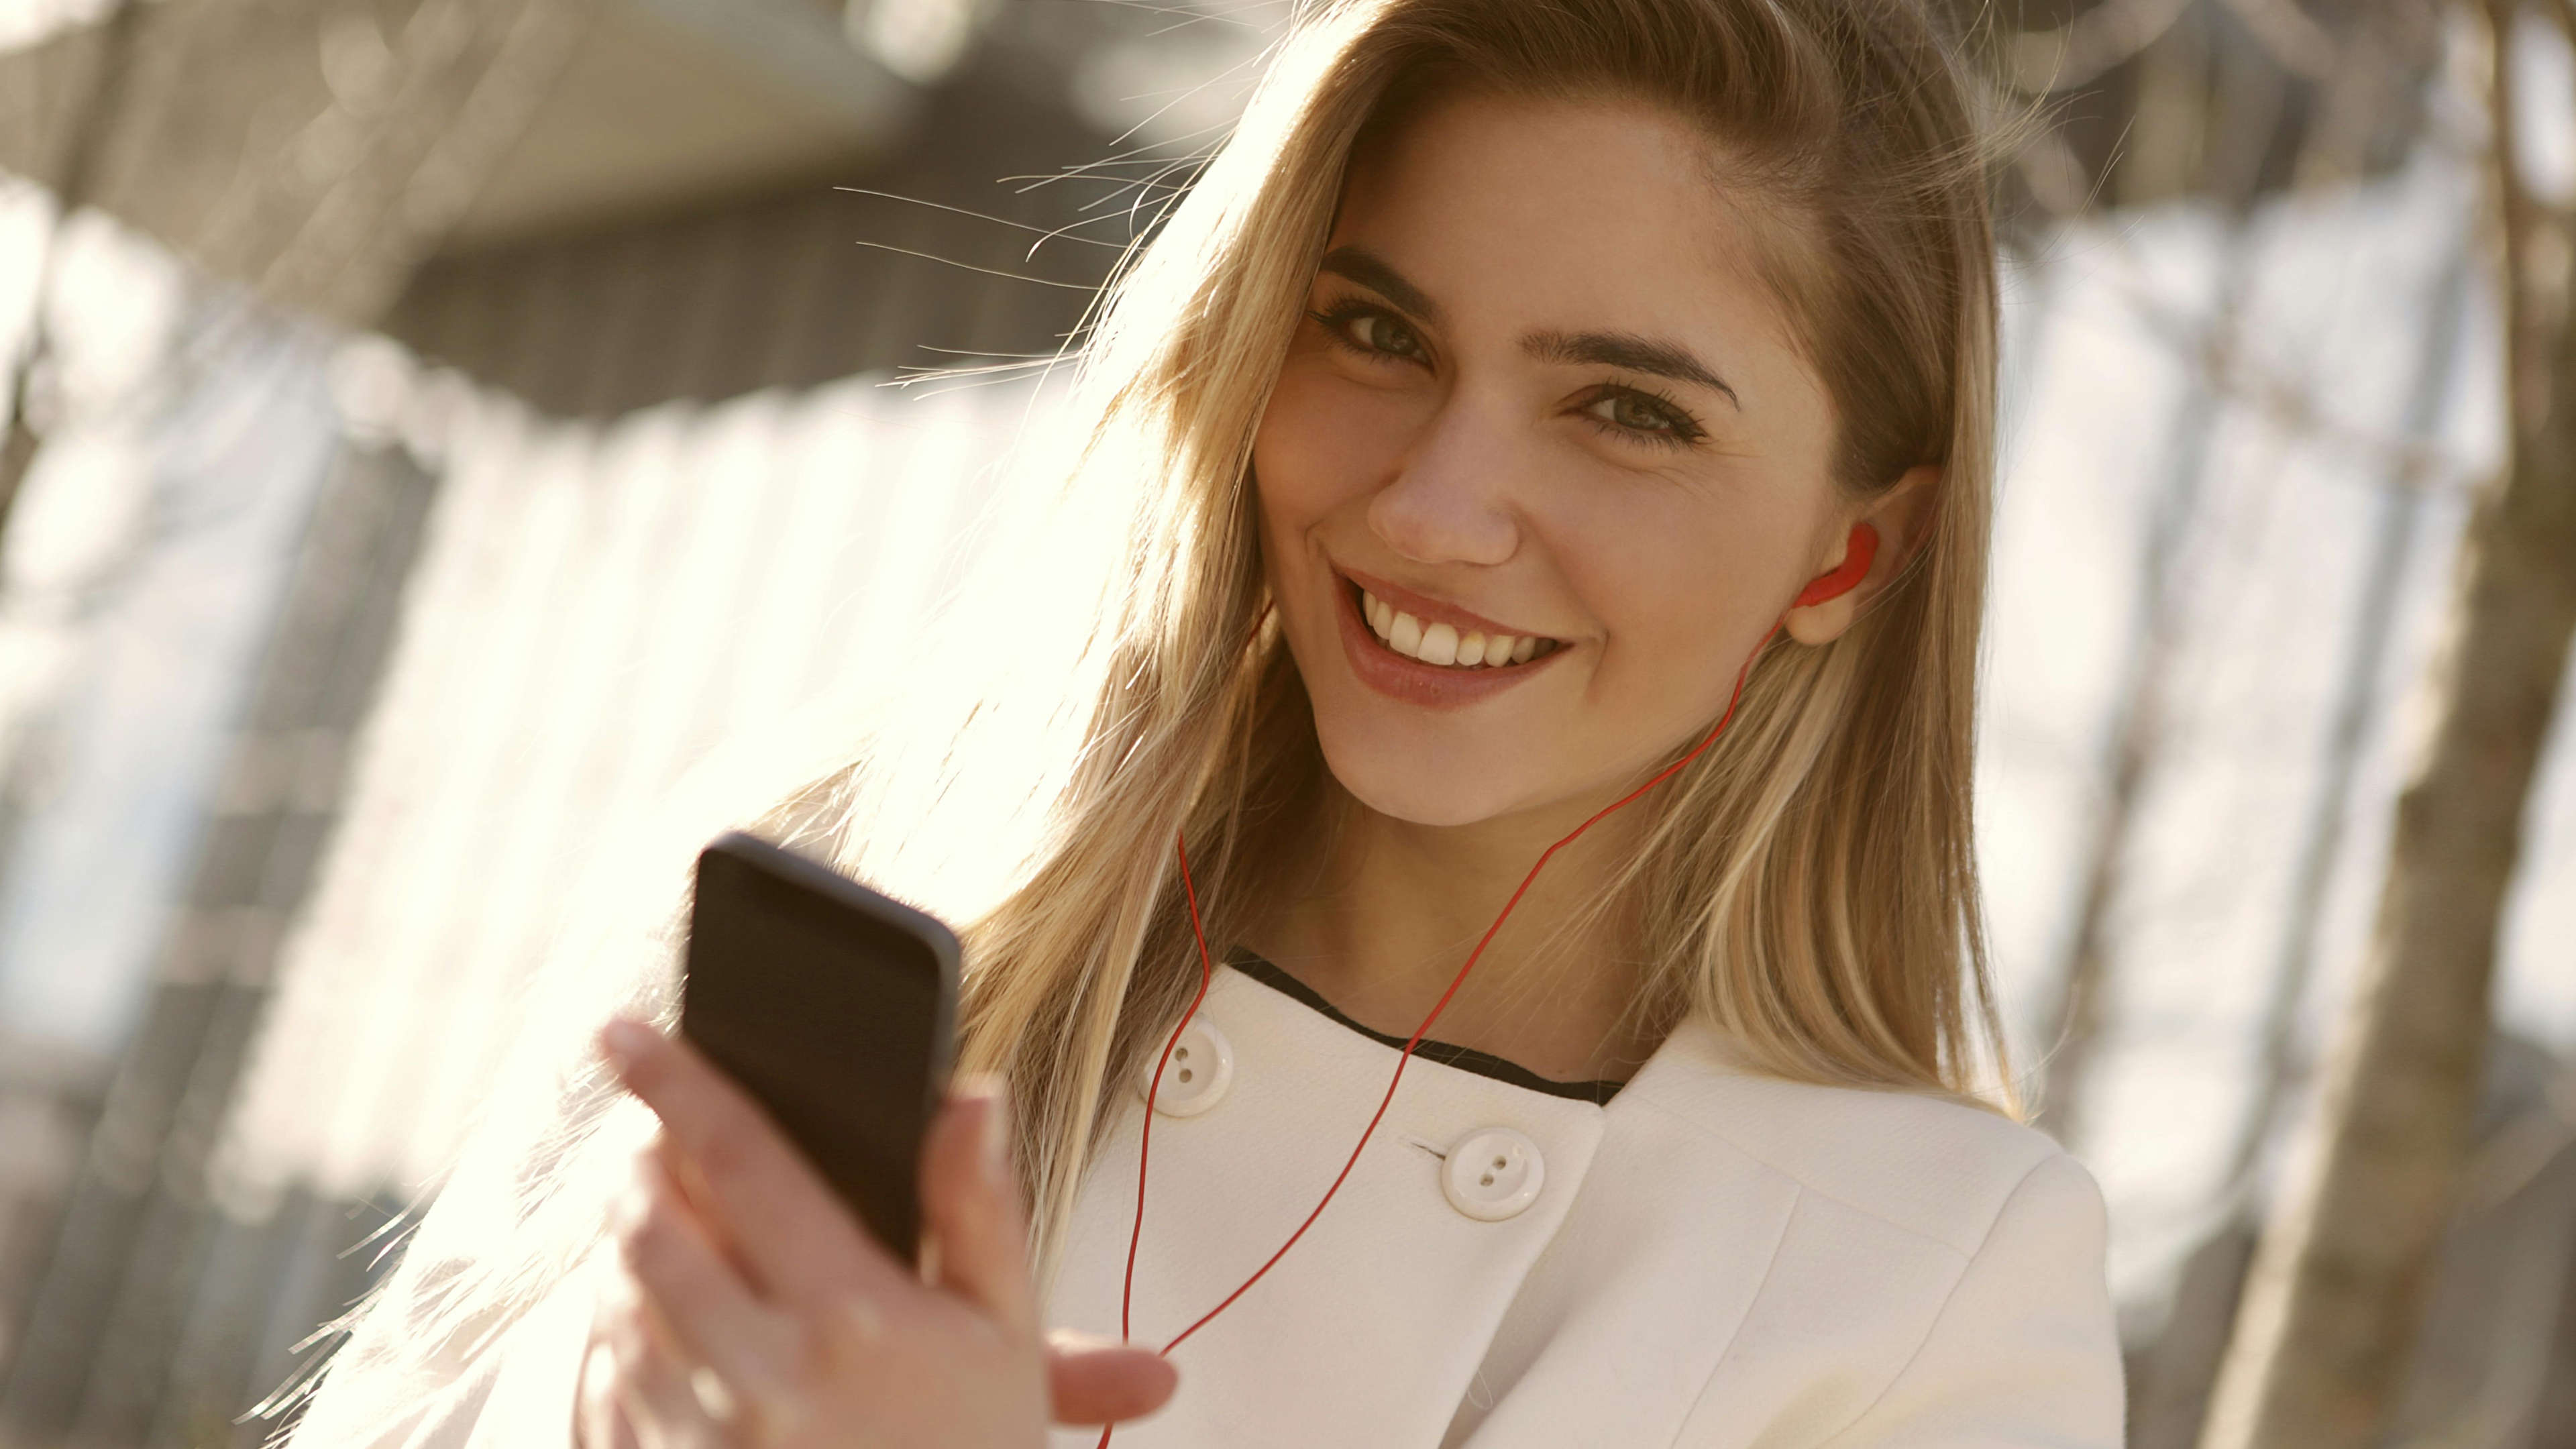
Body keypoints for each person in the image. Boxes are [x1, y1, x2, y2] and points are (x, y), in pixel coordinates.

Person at [282, 0, 2125, 1444]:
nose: (1424, 509)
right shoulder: (853, 864)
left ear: (1856, 548)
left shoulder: (1928, 1280)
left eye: (1628, 413)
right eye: (1378, 337)